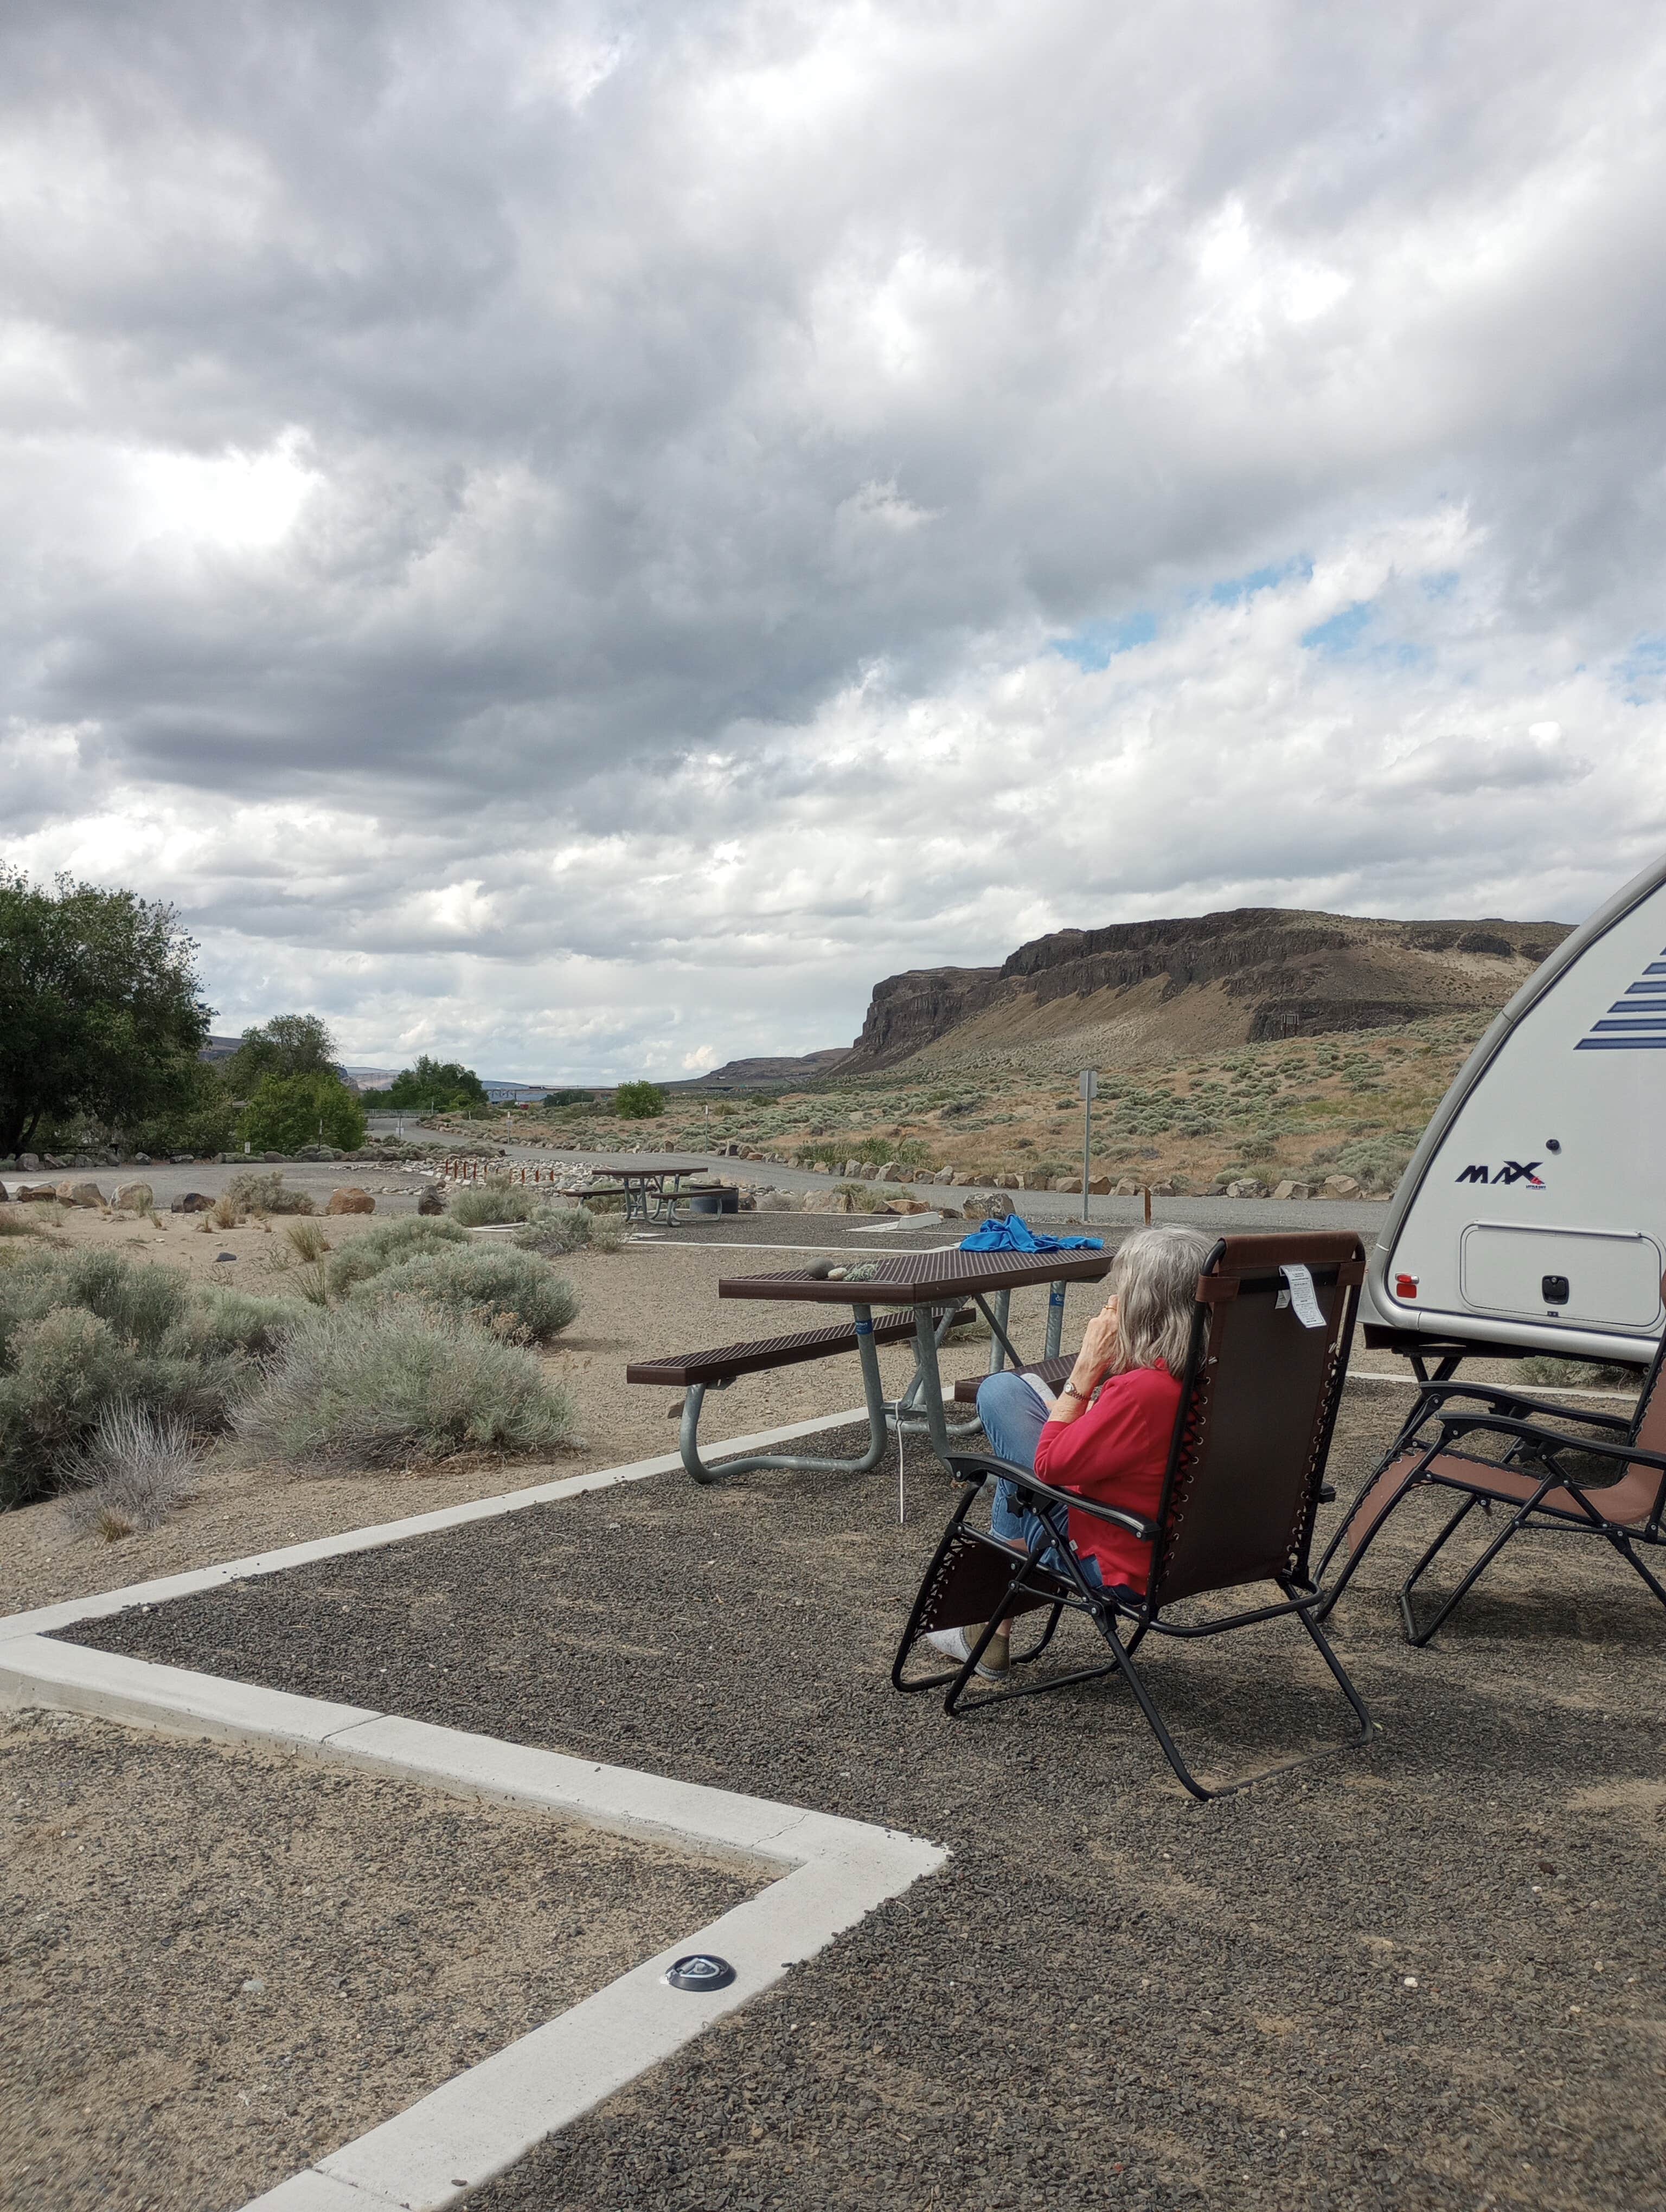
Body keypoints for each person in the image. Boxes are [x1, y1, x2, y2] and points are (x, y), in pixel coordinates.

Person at [927, 1224, 1214, 1682]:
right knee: (1015, 1416)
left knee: (1004, 1408)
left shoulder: (1146, 1392)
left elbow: (1048, 1466)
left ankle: (992, 1631)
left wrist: (1087, 1366)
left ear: (1145, 1305)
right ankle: (991, 1634)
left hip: (1118, 1561)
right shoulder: (1218, 1378)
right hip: (1197, 1555)